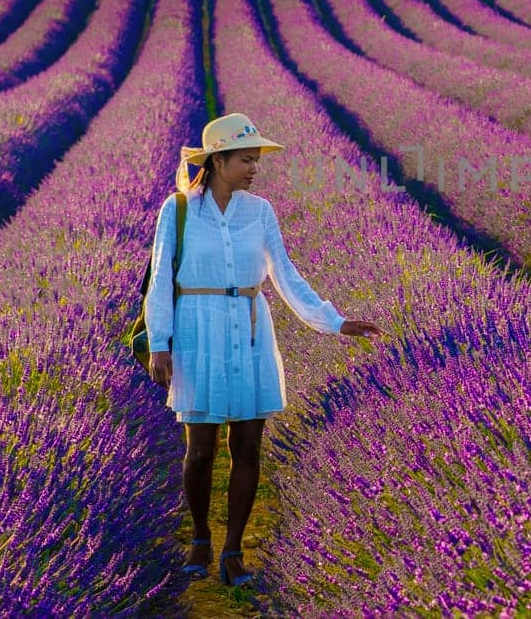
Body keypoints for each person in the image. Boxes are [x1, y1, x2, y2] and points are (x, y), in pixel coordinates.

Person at [144, 112, 383, 588]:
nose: (254, 168)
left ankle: (232, 550)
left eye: (256, 160)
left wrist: (333, 321)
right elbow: (159, 280)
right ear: (218, 160)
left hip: (249, 329)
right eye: (246, 160)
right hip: (198, 330)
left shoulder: (261, 212)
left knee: (248, 445)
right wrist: (159, 344)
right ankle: (199, 537)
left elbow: (285, 275)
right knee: (200, 450)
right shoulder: (179, 209)